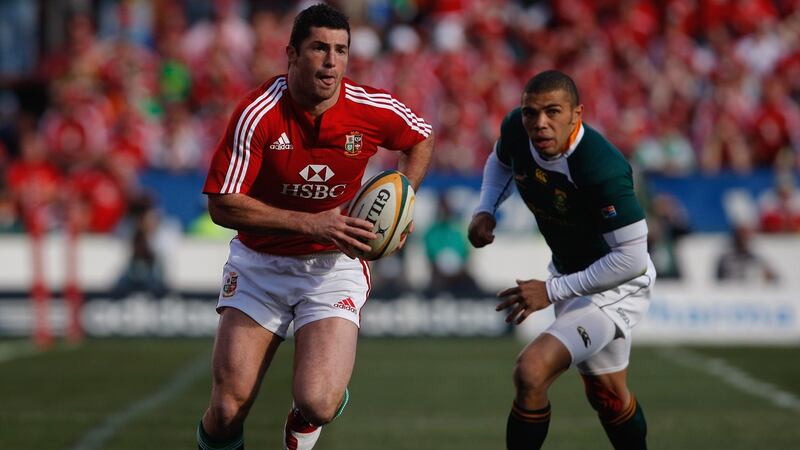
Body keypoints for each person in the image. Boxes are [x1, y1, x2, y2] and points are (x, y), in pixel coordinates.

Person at [197, 4, 434, 450]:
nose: (331, 61)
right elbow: (222, 204)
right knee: (227, 409)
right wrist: (310, 223)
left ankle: (303, 426)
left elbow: (420, 137)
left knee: (318, 403)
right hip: (259, 267)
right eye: (319, 48)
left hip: (333, 266)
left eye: (341, 50)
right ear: (292, 53)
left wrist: (404, 202)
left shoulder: (369, 106)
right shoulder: (258, 113)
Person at [468, 70, 655, 450]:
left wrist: (552, 291)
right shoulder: (517, 130)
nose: (540, 123)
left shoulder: (600, 167)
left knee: (531, 370)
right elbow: (500, 160)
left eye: (553, 112)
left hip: (616, 285)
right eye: (530, 112)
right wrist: (486, 208)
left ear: (576, 114)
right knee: (609, 397)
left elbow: (632, 259)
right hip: (572, 274)